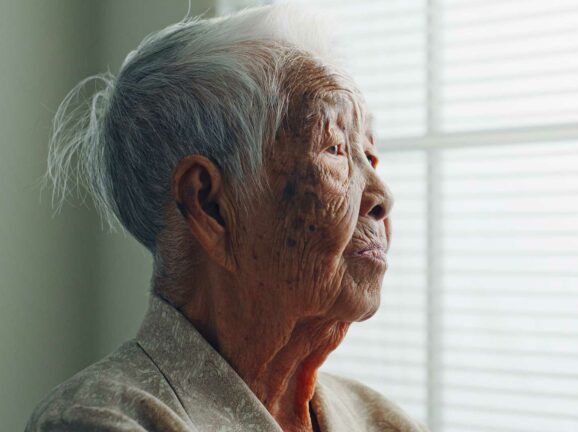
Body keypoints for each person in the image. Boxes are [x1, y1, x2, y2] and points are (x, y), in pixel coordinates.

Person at [26, 5, 426, 432]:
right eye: (334, 150)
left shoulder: (381, 420)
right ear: (210, 204)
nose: (383, 197)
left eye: (370, 155)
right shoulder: (100, 420)